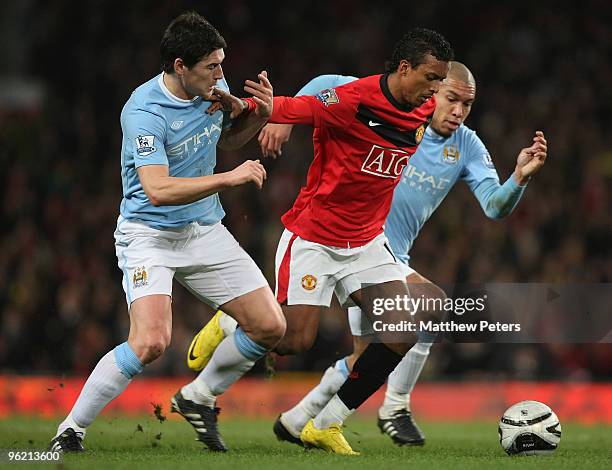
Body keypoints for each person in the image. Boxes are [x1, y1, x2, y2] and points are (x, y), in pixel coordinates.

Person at [189, 60, 547, 453]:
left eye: (467, 105)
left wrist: (518, 179)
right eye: (450, 99)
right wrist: (283, 115)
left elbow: (494, 206)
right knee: (302, 340)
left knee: (393, 334)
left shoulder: (466, 145)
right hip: (335, 237)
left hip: (378, 251)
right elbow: (327, 83)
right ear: (431, 90)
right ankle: (244, 326)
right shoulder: (391, 105)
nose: (458, 112)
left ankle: (315, 419)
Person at [190, 28, 454, 455]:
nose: (435, 88)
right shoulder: (353, 99)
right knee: (294, 342)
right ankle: (232, 322)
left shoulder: (424, 108)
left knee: (404, 327)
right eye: (430, 77)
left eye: (440, 81)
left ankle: (325, 424)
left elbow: (448, 119)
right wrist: (263, 108)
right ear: (404, 69)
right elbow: (303, 105)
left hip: (367, 243)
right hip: (315, 237)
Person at [49, 11, 286, 453]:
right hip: (149, 235)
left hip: (203, 230)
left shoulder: (211, 91)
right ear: (180, 66)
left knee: (270, 327)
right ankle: (70, 429)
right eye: (211, 67)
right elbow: (156, 189)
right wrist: (228, 180)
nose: (221, 74)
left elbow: (226, 140)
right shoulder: (144, 112)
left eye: (221, 64)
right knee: (150, 342)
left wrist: (258, 116)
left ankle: (198, 397)